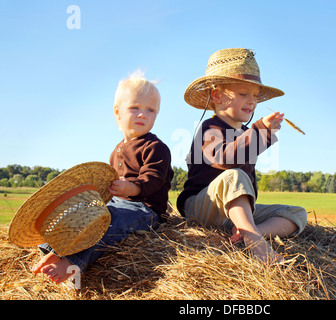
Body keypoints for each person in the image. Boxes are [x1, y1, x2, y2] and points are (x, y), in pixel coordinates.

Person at [31, 70, 174, 284]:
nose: (142, 114)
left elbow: (154, 179)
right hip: (119, 202)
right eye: (135, 108)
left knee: (110, 224)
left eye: (150, 110)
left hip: (145, 209)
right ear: (117, 112)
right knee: (87, 215)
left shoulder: (156, 147)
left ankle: (72, 261)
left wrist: (131, 188)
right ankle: (54, 248)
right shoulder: (117, 149)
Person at [177, 48, 307, 263]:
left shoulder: (246, 133)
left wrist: (257, 132)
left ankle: (250, 232)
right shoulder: (209, 129)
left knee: (296, 213)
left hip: (233, 213)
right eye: (243, 94)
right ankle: (255, 242)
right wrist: (260, 131)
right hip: (202, 206)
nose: (252, 101)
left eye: (255, 96)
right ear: (217, 96)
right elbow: (226, 160)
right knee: (234, 175)